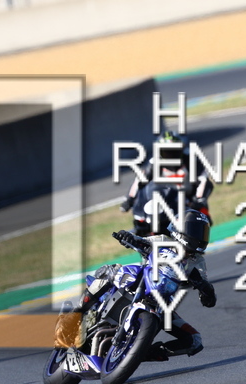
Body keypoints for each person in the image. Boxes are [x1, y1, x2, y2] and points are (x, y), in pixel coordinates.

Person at [61, 209, 217, 361]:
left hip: (162, 302)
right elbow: (142, 241)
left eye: (203, 232)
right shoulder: (164, 240)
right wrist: (128, 237)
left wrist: (206, 289)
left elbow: (208, 297)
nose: (200, 237)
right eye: (196, 230)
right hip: (142, 281)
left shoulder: (198, 262)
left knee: (195, 341)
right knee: (112, 270)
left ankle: (142, 352)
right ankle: (76, 314)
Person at [119, 131, 214, 235]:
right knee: (143, 219)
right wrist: (129, 199)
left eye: (174, 151)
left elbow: (203, 180)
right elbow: (140, 180)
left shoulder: (191, 161)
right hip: (164, 200)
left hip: (188, 200)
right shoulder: (155, 163)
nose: (171, 155)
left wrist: (199, 199)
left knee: (202, 219)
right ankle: (144, 231)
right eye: (167, 152)